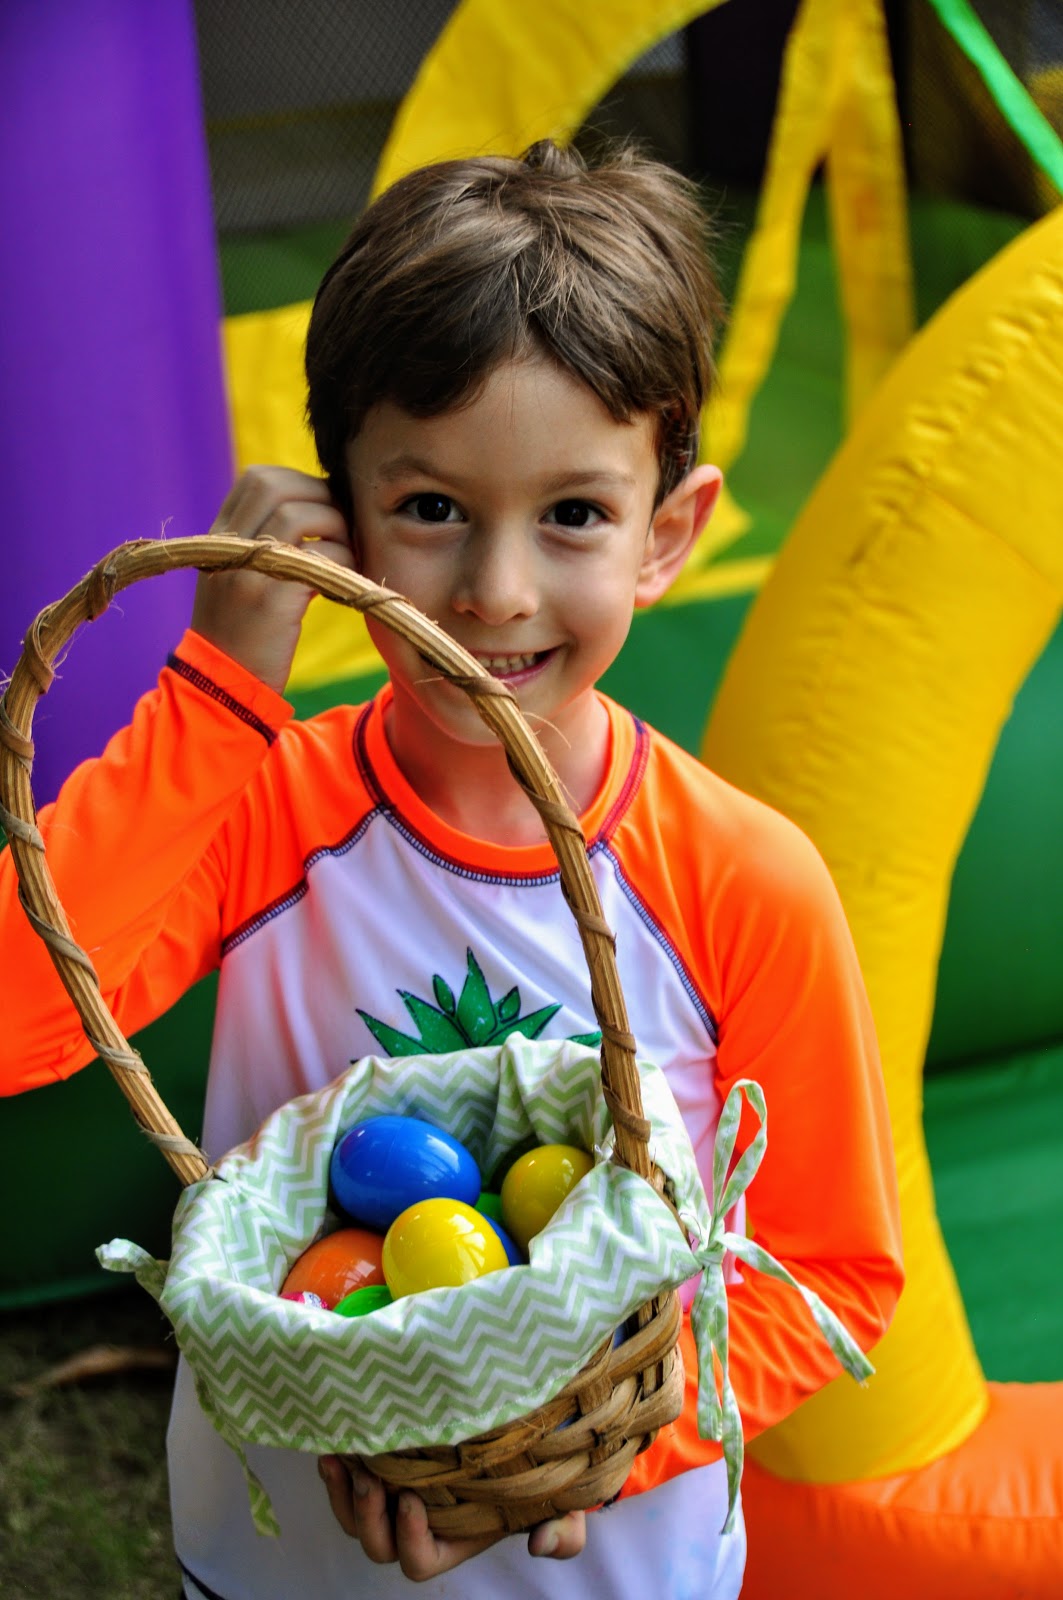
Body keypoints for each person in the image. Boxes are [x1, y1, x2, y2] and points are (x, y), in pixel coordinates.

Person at [0, 140, 903, 1599]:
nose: (495, 592)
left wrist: (595, 1447)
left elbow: (835, 1271)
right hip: (281, 1565)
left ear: (668, 533)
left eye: (575, 514)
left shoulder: (742, 876)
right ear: (335, 523)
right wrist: (221, 687)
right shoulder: (262, 803)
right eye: (429, 509)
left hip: (614, 1570)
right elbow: (18, 1011)